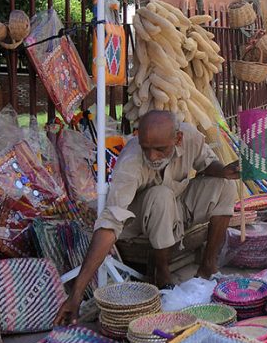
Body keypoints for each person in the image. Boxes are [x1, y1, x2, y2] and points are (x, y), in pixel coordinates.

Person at [54, 111, 239, 326]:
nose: (152, 157)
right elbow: (109, 224)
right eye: (146, 148)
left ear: (177, 139)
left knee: (225, 185)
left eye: (160, 149)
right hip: (141, 222)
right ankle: (162, 275)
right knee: (160, 195)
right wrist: (76, 294)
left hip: (177, 206)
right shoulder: (130, 163)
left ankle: (208, 266)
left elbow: (207, 164)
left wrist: (224, 171)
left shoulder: (190, 137)